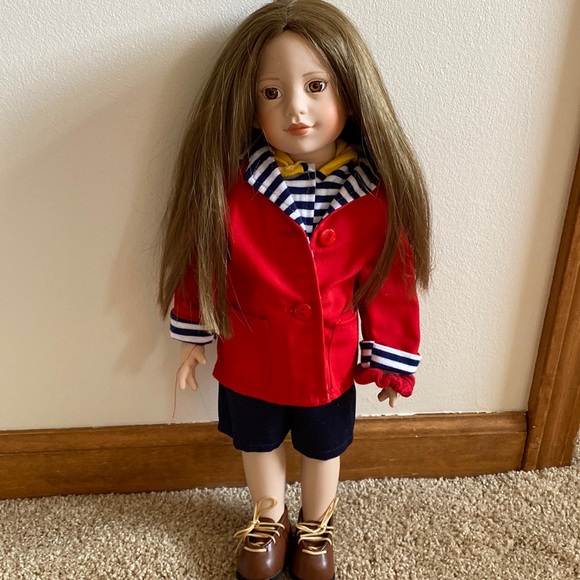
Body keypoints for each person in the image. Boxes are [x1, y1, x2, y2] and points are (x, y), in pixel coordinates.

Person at [157, 1, 431, 578]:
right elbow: (202, 262)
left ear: (349, 95)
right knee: (256, 443)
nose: (297, 109)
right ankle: (268, 519)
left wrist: (391, 359)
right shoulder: (231, 188)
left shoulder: (373, 197)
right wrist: (193, 337)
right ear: (250, 106)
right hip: (251, 354)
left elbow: (391, 284)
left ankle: (315, 525)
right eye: (272, 93)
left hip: (329, 359)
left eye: (316, 86)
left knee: (324, 447)